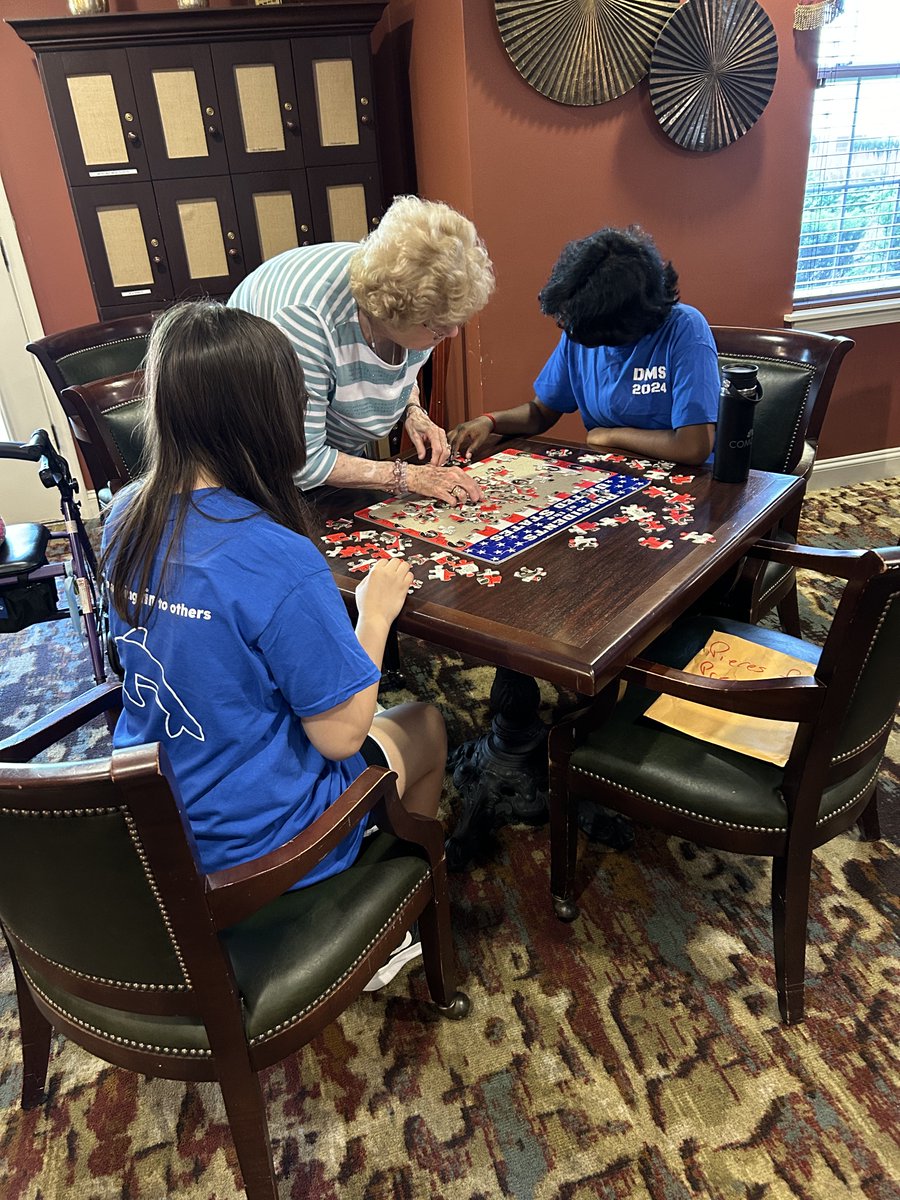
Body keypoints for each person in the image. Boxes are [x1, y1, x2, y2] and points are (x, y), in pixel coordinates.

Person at [101, 301, 448, 991]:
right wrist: (373, 615)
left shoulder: (122, 513)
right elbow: (342, 737)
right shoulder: (277, 556)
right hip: (255, 849)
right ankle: (378, 925)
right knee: (428, 726)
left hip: (152, 823)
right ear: (268, 416)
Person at [228, 194, 495, 507]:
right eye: (438, 327)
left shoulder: (409, 299)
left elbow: (401, 363)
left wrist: (412, 410)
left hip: (323, 453)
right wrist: (409, 477)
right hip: (257, 466)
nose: (451, 333)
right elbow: (303, 462)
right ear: (390, 313)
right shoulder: (307, 322)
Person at [450, 225, 720, 466]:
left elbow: (693, 447)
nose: (580, 340)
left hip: (686, 484)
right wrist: (491, 421)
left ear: (621, 322)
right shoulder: (580, 329)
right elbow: (541, 413)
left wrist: (609, 435)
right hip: (607, 474)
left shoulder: (685, 328)